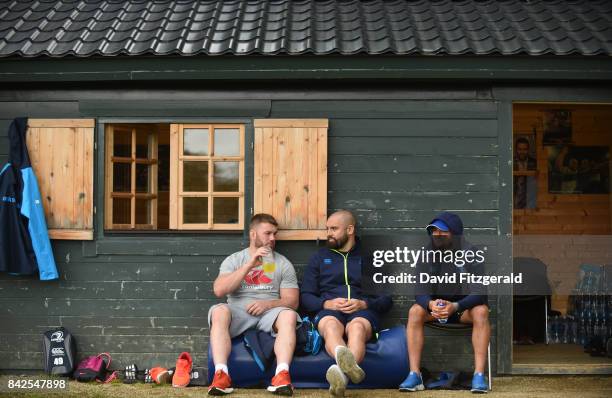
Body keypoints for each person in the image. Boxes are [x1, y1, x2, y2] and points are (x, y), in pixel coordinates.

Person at [301, 210, 392, 397]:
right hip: (329, 312)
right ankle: (346, 375)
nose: (329, 233)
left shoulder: (371, 258)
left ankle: (341, 376)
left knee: (357, 328)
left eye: (334, 229)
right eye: (328, 229)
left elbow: (386, 299)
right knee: (331, 326)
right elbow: (306, 296)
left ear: (350, 229)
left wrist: (364, 304)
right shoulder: (319, 258)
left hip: (362, 312)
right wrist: (326, 304)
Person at [207, 213, 300, 396]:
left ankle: (282, 375)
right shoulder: (235, 260)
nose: (273, 238)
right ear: (253, 234)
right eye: (267, 233)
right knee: (218, 311)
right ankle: (221, 375)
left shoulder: (282, 263)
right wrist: (249, 265)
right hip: (238, 310)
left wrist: (268, 304)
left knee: (288, 315)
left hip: (270, 313)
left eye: (275, 233)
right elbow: (219, 290)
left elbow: (293, 301)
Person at [399, 211, 490, 394]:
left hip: (462, 310)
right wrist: (430, 305)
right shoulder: (426, 253)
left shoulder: (472, 253)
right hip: (436, 309)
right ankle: (414, 375)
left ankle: (479, 375)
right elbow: (419, 289)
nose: (436, 234)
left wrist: (456, 306)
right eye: (433, 231)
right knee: (415, 311)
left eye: (442, 231)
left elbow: (480, 292)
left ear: (455, 233)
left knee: (481, 311)